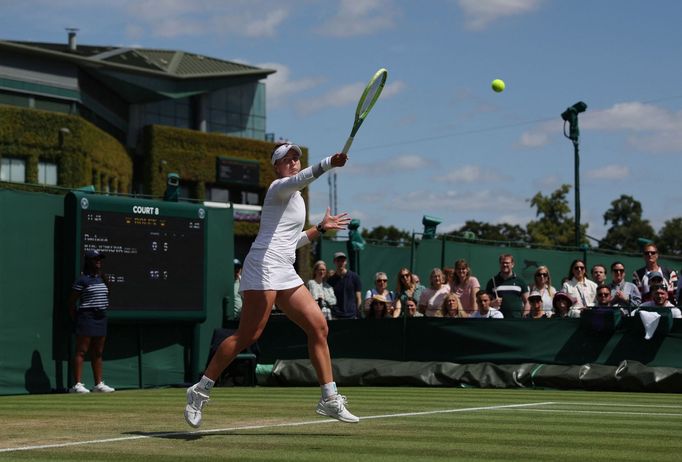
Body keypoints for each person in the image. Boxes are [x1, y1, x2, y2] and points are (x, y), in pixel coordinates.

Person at [184, 143, 358, 427]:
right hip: (263, 264)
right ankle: (199, 390)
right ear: (276, 167)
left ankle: (328, 398)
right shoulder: (279, 186)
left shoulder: (297, 200)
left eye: (296, 158)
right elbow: (301, 179)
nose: (293, 162)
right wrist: (329, 162)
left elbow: (292, 242)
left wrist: (321, 229)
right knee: (249, 335)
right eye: (286, 159)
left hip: (283, 268)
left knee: (319, 326)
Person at [68, 250, 115, 394]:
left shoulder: (103, 278)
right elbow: (71, 303)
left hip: (101, 317)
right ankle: (77, 385)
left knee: (98, 352)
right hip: (86, 317)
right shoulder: (82, 280)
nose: (98, 261)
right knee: (81, 351)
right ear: (88, 262)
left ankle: (98, 384)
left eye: (100, 259)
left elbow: (107, 295)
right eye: (95, 259)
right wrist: (77, 319)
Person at [485, 254, 529, 318]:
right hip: (497, 319)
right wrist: (492, 303)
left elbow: (527, 301)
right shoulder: (492, 282)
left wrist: (525, 315)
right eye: (502, 263)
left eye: (507, 263)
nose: (505, 265)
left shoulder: (520, 281)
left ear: (512, 264)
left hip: (516, 320)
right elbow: (485, 302)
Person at [327, 252, 362, 319]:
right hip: (336, 316)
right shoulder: (330, 280)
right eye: (338, 261)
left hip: (352, 316)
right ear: (334, 262)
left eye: (343, 260)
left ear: (346, 262)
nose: (341, 263)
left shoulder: (354, 277)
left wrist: (358, 313)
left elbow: (358, 297)